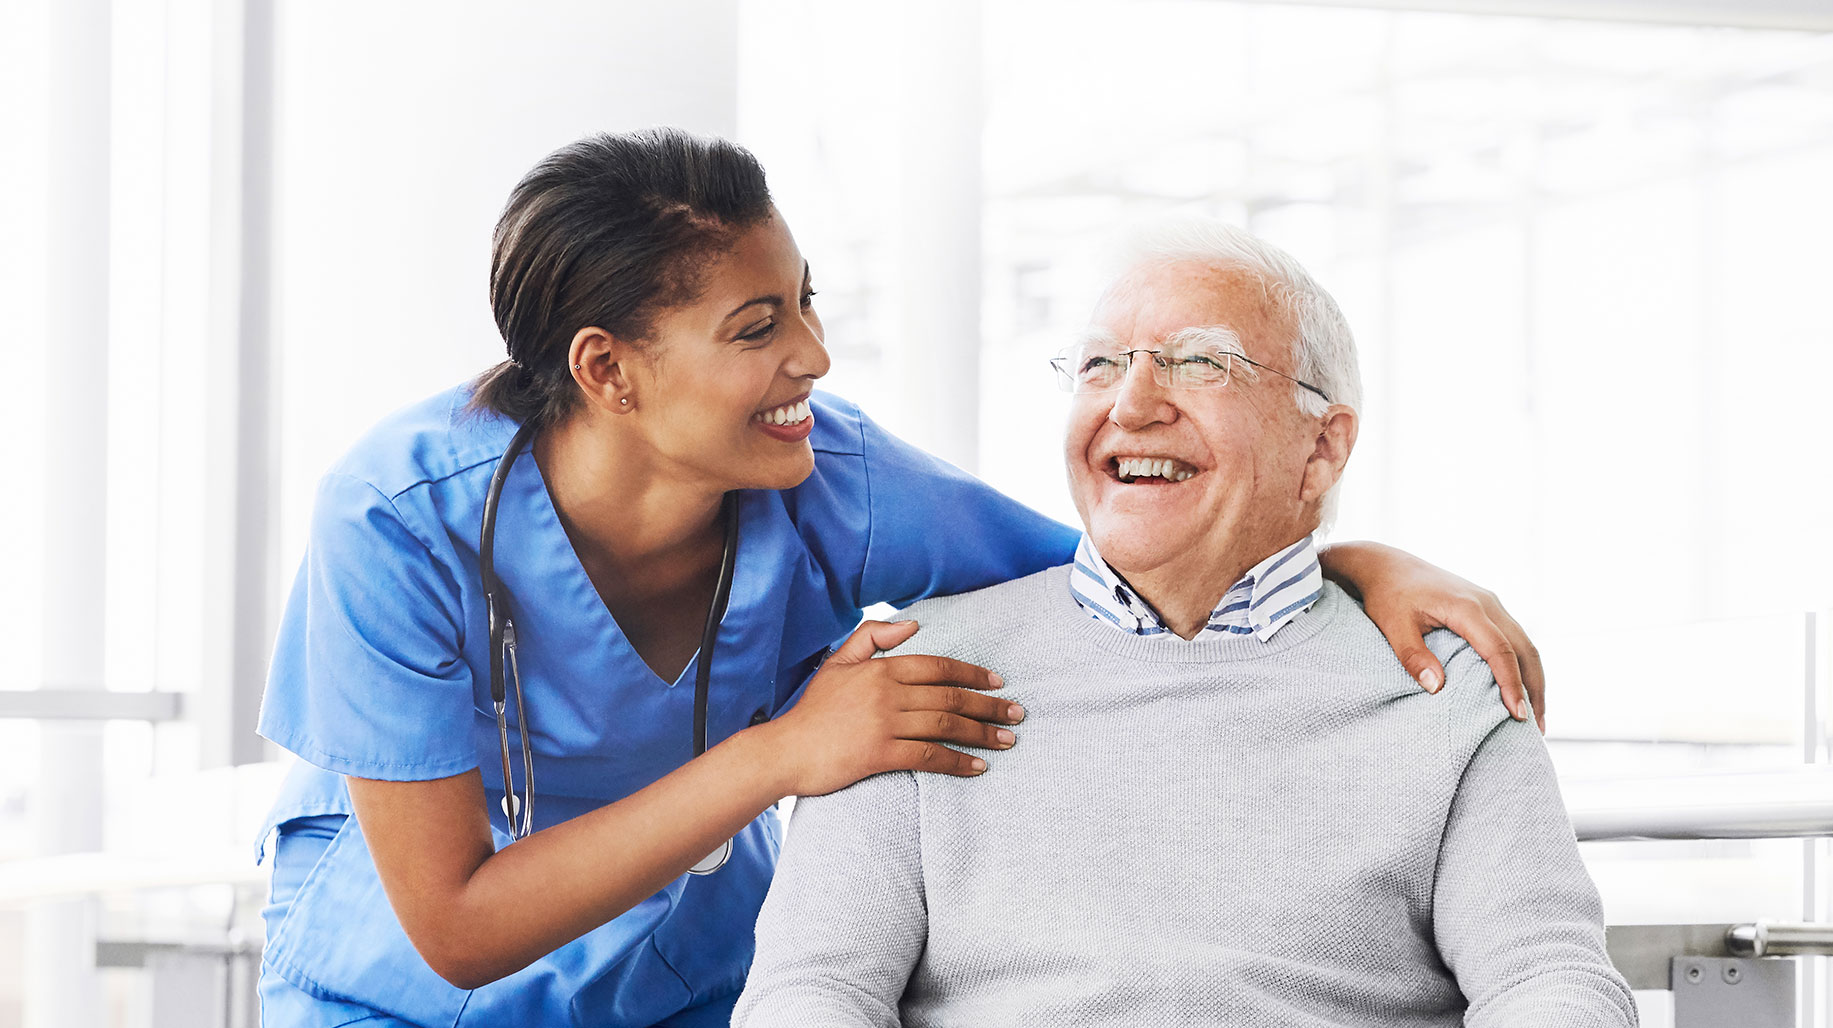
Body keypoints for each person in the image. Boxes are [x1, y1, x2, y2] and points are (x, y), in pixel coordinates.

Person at [251, 129, 1550, 1027]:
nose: (815, 354)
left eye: (805, 301)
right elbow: (460, 927)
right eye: (757, 326)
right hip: (402, 991)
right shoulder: (400, 521)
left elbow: (1136, 578)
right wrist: (786, 756)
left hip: (685, 981)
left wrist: (1348, 553)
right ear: (608, 370)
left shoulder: (838, 479)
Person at [733, 220, 1635, 1027]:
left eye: (1200, 361)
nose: (1131, 403)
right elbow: (813, 991)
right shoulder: (915, 673)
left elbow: (1546, 978)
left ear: (1320, 449)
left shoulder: (1447, 686)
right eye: (1099, 364)